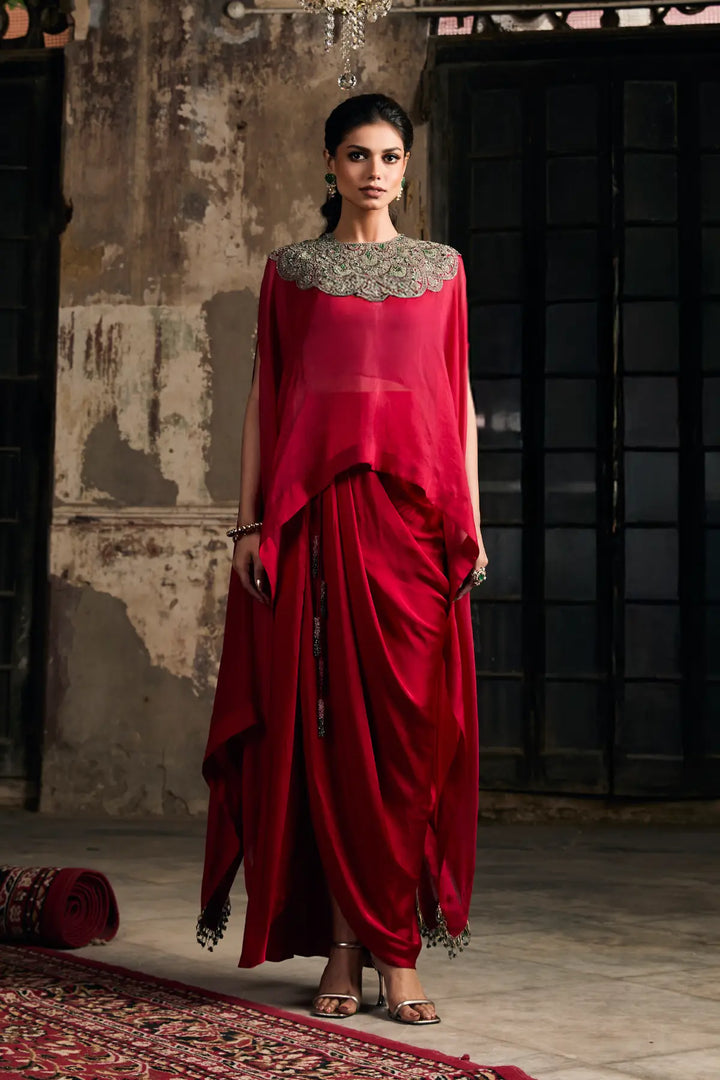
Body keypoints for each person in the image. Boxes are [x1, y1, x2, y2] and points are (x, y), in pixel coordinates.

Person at [198, 92, 489, 1027]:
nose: (375, 171)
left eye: (391, 156)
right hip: (318, 525)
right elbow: (266, 401)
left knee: (407, 740)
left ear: (408, 166)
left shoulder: (442, 270)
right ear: (330, 164)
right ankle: (341, 949)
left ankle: (399, 951)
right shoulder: (291, 273)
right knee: (321, 740)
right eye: (358, 155)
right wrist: (250, 526)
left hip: (413, 528)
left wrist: (473, 524)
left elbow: (458, 401)